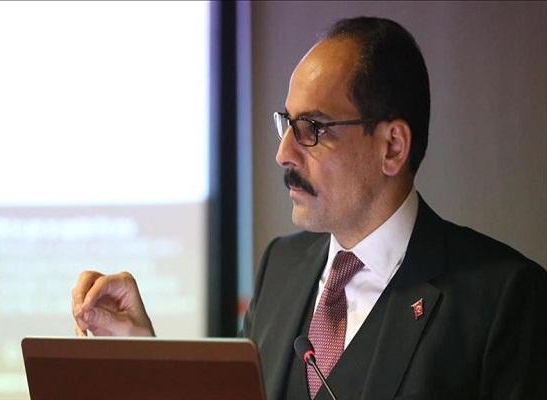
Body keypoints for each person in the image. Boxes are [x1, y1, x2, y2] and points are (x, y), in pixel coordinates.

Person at [72, 16, 546, 399]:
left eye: (313, 128)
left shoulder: (505, 298)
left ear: (392, 147)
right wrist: (141, 349)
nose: (284, 153)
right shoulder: (281, 265)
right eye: (287, 123)